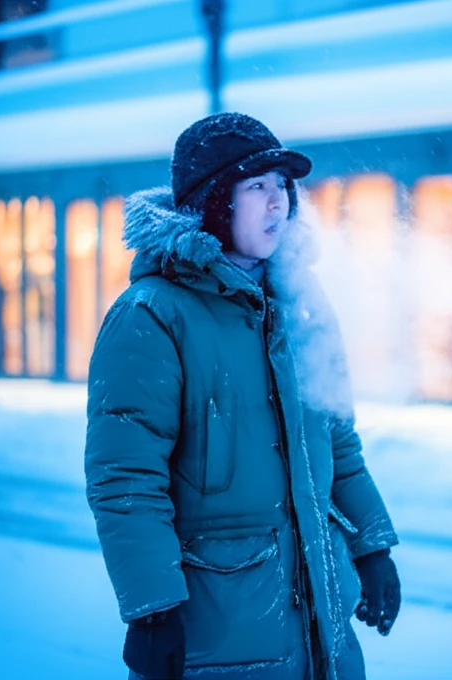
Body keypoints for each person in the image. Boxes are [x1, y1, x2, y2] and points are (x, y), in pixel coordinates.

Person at [84, 112, 401, 680]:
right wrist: (151, 607)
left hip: (319, 624)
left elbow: (336, 439)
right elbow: (126, 479)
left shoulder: (301, 302)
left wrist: (372, 544)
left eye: (282, 186)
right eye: (256, 186)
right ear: (211, 201)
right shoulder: (152, 316)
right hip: (218, 630)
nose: (277, 201)